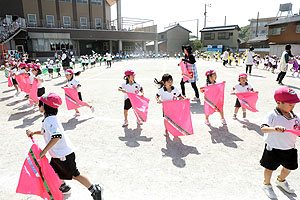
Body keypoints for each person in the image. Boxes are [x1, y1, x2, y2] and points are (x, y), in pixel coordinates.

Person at [25, 93, 102, 200]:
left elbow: (57, 136)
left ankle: (94, 189)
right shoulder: (49, 118)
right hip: (58, 154)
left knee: (75, 175)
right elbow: (45, 132)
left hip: (63, 154)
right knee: (53, 171)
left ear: (45, 106)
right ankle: (64, 187)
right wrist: (33, 133)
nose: (38, 105)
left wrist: (44, 151)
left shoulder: (49, 120)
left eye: (40, 103)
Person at [260, 87, 300, 199]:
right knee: (269, 168)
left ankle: (281, 180)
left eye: (294, 104)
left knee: (289, 168)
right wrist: (274, 128)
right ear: (278, 102)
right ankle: (266, 184)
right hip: (273, 148)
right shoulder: (272, 115)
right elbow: (263, 128)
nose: (293, 106)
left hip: (290, 148)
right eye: (290, 104)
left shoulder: (295, 116)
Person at [154, 73, 186, 141]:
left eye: (171, 80)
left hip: (174, 107)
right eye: (168, 81)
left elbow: (180, 96)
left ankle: (175, 130)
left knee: (175, 119)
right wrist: (158, 100)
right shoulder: (162, 90)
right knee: (166, 119)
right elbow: (156, 96)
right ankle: (166, 130)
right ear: (164, 82)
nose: (170, 82)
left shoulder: (175, 89)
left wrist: (185, 99)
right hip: (166, 108)